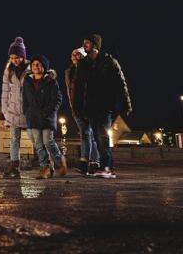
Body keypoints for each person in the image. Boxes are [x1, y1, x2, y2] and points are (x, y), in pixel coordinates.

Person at [73, 33, 132, 179]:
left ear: (95, 45)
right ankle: (103, 165)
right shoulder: (83, 64)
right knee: (97, 137)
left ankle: (107, 167)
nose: (84, 44)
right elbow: (78, 88)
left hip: (105, 106)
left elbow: (121, 84)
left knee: (102, 136)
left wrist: (126, 105)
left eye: (87, 42)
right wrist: (77, 107)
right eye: (84, 42)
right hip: (90, 107)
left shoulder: (109, 62)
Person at [22, 54, 66, 178]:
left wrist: (48, 112)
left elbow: (57, 99)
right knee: (38, 144)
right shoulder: (27, 81)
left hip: (47, 117)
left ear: (44, 67)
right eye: (34, 64)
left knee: (48, 141)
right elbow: (24, 99)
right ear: (31, 66)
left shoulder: (51, 81)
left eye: (39, 65)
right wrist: (26, 111)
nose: (36, 66)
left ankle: (59, 162)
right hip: (33, 117)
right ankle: (45, 167)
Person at [65, 47, 99, 175]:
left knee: (89, 134)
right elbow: (70, 92)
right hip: (77, 108)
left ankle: (91, 162)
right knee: (85, 134)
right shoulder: (69, 72)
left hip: (90, 107)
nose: (75, 57)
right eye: (73, 55)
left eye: (78, 55)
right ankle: (89, 162)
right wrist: (73, 107)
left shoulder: (90, 69)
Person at [0, 36, 29, 178]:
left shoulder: (30, 70)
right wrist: (5, 110)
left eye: (17, 57)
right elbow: (5, 91)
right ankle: (14, 165)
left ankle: (47, 163)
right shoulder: (8, 71)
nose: (14, 60)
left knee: (35, 137)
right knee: (14, 139)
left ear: (23, 56)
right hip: (13, 110)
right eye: (12, 57)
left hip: (27, 110)